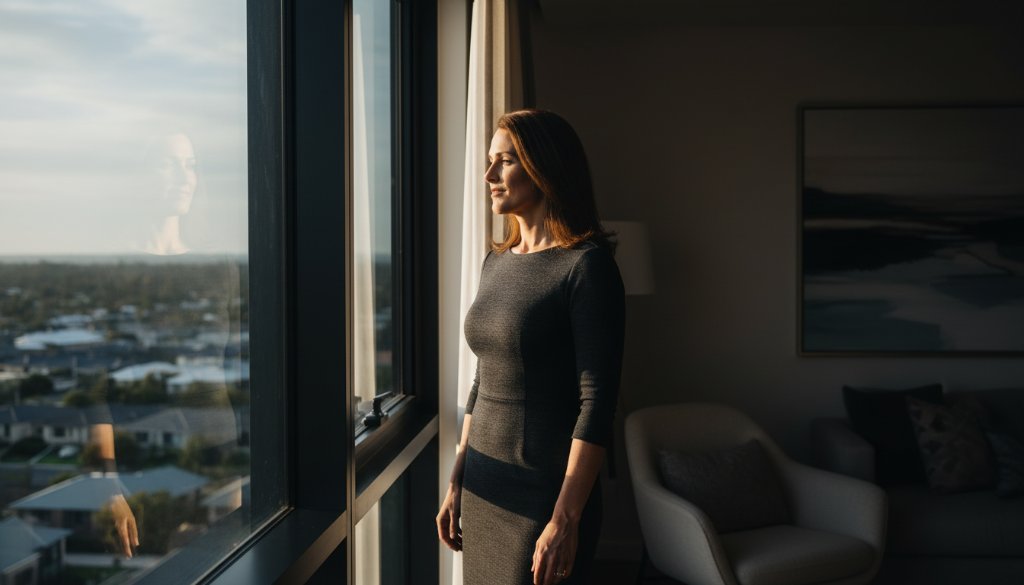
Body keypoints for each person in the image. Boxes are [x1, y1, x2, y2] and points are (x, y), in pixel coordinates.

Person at [437, 109, 625, 585]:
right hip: (483, 484)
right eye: (489, 161)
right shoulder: (495, 262)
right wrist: (458, 476)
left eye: (505, 161)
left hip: (546, 493)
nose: (488, 176)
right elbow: (484, 379)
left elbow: (596, 402)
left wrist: (566, 518)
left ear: (545, 167)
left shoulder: (587, 267)